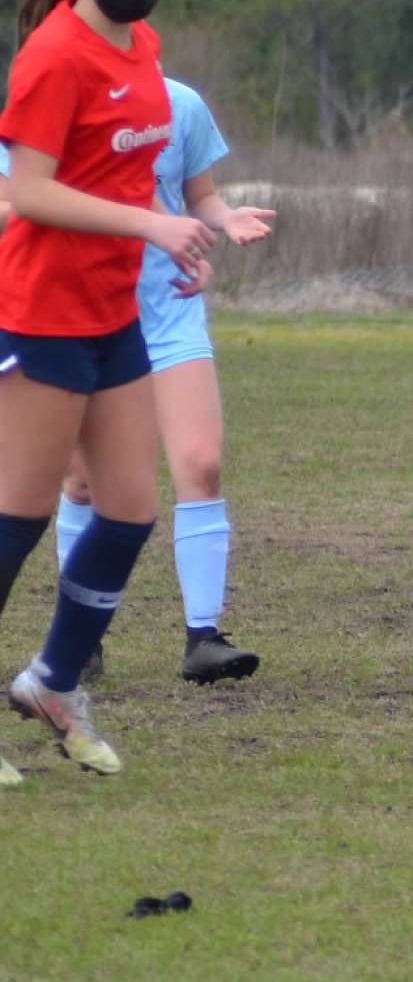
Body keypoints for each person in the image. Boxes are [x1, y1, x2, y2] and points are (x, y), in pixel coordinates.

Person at [0, 0, 214, 783]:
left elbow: (130, 176)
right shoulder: (53, 58)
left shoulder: (146, 46)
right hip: (41, 309)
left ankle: (53, 683)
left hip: (114, 309)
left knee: (129, 508)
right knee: (20, 513)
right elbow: (31, 190)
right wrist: (152, 227)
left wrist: (189, 237)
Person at [2, 77, 278, 685]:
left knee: (201, 464)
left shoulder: (179, 104)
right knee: (79, 485)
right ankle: (81, 641)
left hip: (170, 312)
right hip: (86, 314)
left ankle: (204, 637)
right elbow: (14, 203)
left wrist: (221, 218)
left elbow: (196, 197)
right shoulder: (52, 102)